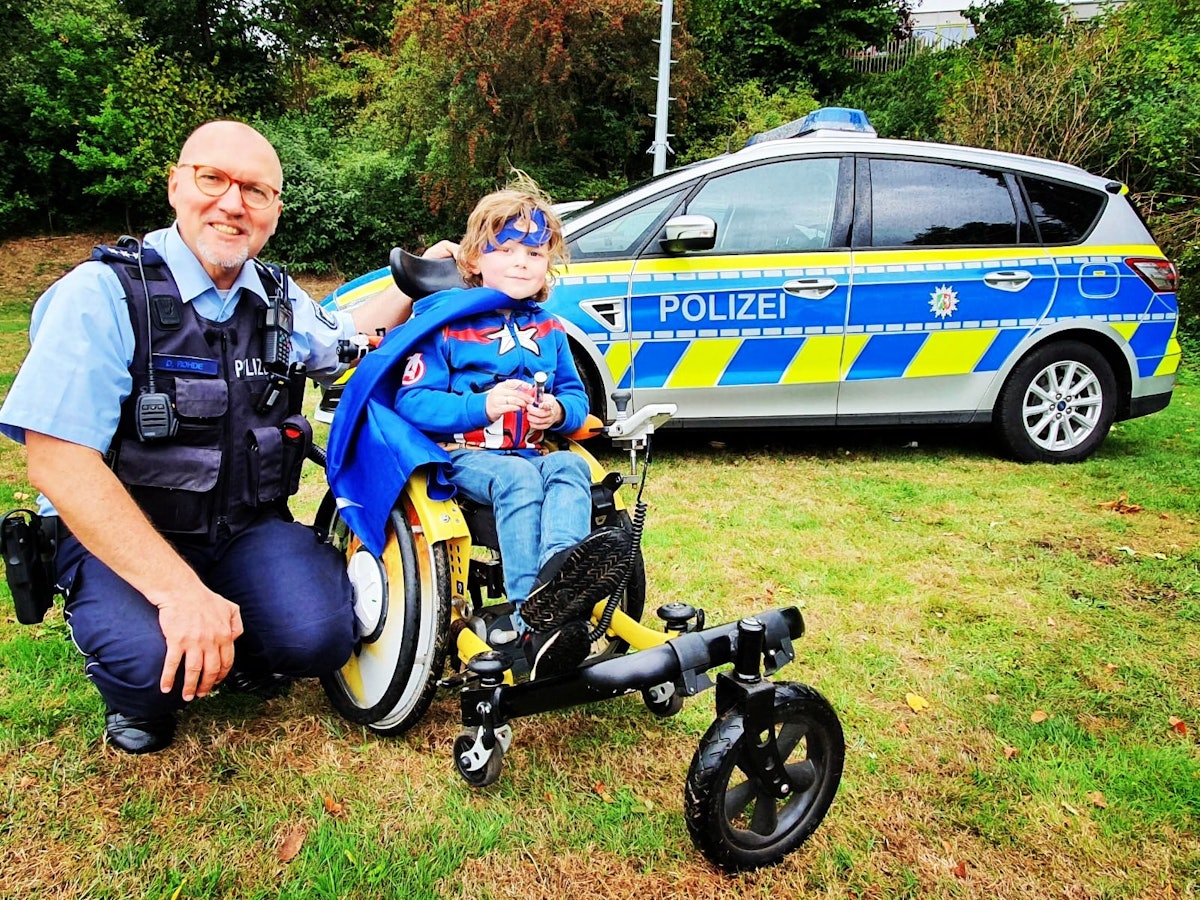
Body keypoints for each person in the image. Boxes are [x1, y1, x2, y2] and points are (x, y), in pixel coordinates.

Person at [0, 120, 443, 754]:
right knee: (150, 662)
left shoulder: (280, 300)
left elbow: (349, 343)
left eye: (256, 191)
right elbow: (58, 463)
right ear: (176, 186)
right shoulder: (101, 294)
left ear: (275, 211)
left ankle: (240, 643)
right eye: (213, 179)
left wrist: (415, 280)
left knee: (320, 636)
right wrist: (180, 594)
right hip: (128, 537)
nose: (233, 204)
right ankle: (137, 699)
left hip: (244, 528)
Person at [326, 181, 630, 678]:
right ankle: (529, 613)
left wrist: (558, 413)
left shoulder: (551, 330)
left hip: (529, 450)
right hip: (463, 455)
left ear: (548, 264)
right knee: (519, 480)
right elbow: (413, 401)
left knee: (570, 468)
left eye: (534, 253)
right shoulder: (445, 326)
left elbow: (577, 398)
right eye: (505, 250)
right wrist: (480, 405)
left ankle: (560, 580)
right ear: (473, 260)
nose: (521, 263)